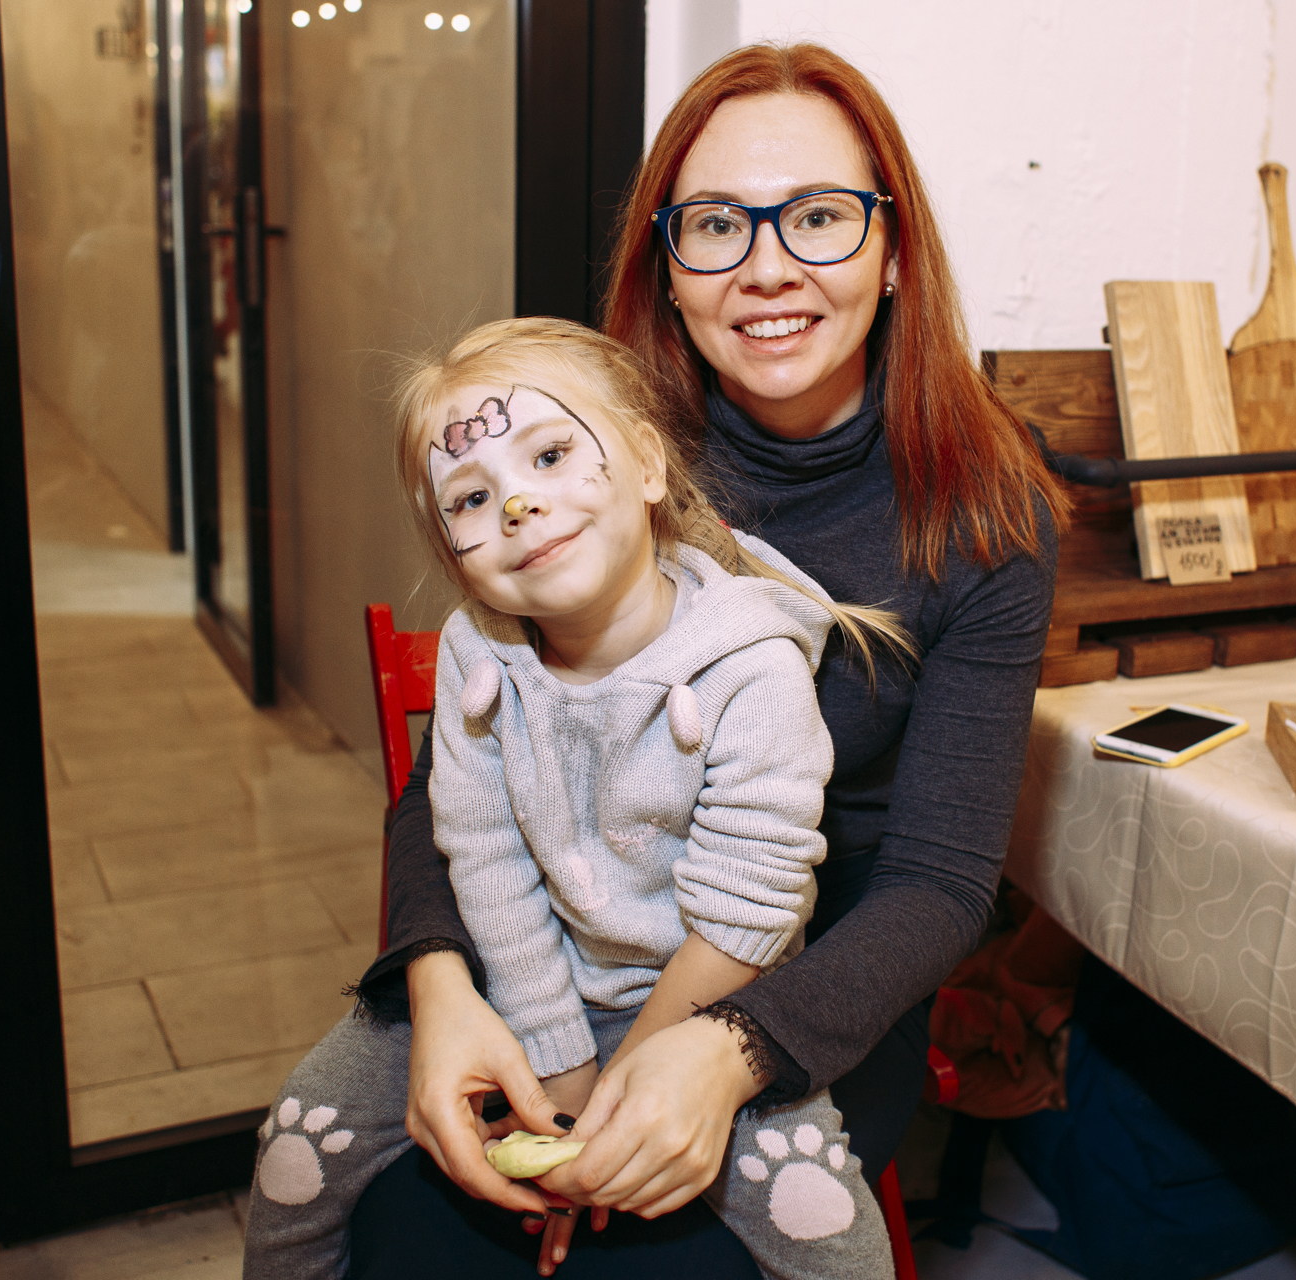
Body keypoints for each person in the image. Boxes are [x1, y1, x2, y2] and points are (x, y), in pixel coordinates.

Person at [325, 42, 1068, 1277]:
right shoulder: (584, 451)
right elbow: (456, 771)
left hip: (812, 981)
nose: (768, 265)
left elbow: (940, 883)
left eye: (819, 216)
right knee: (407, 1230)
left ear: (893, 249)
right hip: (555, 956)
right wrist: (441, 985)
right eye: (718, 224)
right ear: (667, 268)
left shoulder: (988, 516)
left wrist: (725, 1051)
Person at [243, 316, 911, 1279]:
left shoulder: (753, 670)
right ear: (453, 552)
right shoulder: (478, 656)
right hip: (522, 981)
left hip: (710, 1010)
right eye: (472, 497)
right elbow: (485, 861)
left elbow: (748, 912)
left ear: (647, 465)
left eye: (552, 455)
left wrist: (622, 1096)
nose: (518, 503)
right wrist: (557, 1062)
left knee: (826, 1227)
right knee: (295, 1144)